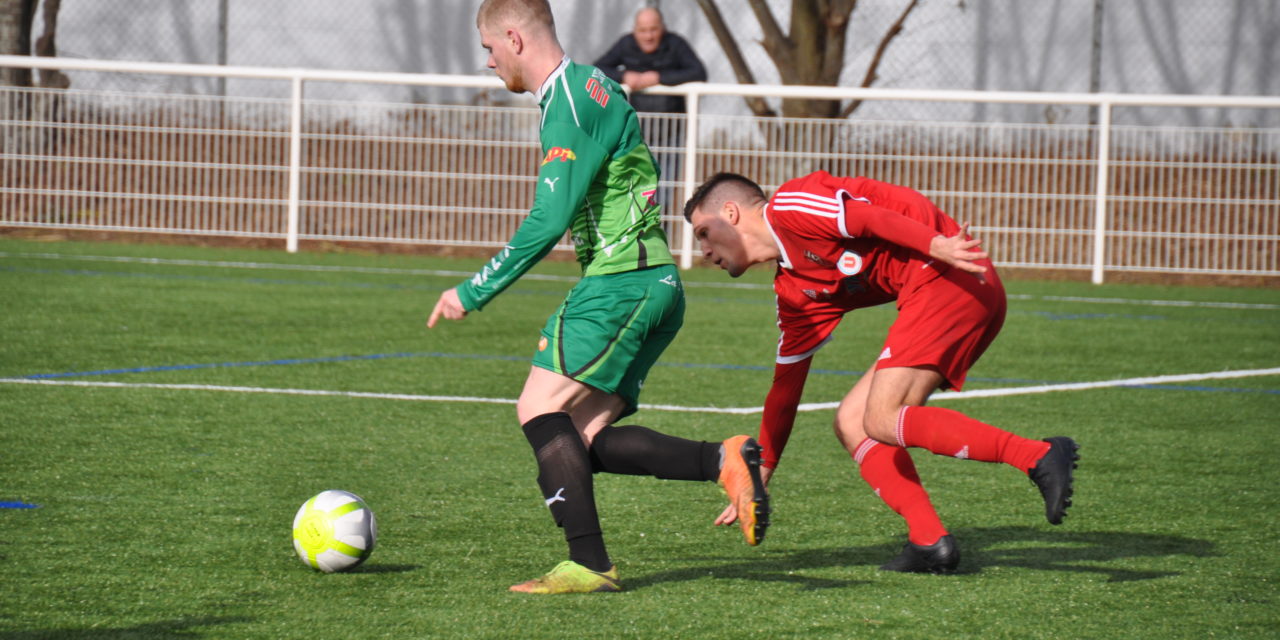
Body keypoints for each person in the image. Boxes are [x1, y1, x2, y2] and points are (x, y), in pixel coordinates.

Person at [427, 0, 768, 594]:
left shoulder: (569, 103)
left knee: (537, 408)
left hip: (620, 283)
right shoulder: (593, 85)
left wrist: (474, 289)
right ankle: (723, 459)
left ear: (514, 37)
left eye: (489, 48)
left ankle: (589, 563)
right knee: (580, 439)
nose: (489, 61)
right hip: (650, 282)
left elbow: (548, 218)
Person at [683, 171, 1079, 573]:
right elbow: (785, 389)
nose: (704, 250)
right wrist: (760, 475)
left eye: (703, 233)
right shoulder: (793, 291)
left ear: (731, 212)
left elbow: (866, 218)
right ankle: (929, 541)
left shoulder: (789, 206)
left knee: (882, 417)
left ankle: (1037, 455)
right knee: (853, 422)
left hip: (949, 272)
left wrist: (935, 244)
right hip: (949, 286)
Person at [593, 7, 706, 206]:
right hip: (636, 132)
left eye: (653, 30)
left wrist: (659, 77)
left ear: (663, 28)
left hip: (671, 130)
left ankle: (660, 223)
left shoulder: (676, 44)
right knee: (632, 185)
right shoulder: (626, 44)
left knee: (665, 187)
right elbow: (597, 68)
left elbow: (698, 72)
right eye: (643, 30)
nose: (648, 36)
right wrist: (624, 75)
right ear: (634, 30)